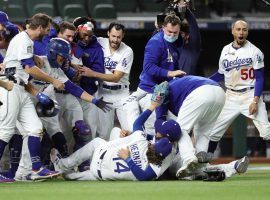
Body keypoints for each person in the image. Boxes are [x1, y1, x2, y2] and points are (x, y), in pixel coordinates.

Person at [50, 96, 179, 181]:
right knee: (91, 173)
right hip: (100, 175)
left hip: (102, 155)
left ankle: (62, 165)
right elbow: (144, 176)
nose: (157, 133)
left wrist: (152, 106)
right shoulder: (162, 157)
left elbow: (137, 124)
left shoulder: (141, 141)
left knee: (98, 142)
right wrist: (128, 157)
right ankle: (71, 175)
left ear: (152, 144)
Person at [0, 13, 65, 182]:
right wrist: (53, 80)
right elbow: (29, 68)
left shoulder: (27, 40)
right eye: (48, 29)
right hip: (10, 88)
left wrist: (38, 94)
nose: (48, 32)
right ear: (41, 27)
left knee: (35, 127)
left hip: (20, 88)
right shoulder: (23, 39)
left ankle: (36, 169)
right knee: (5, 131)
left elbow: (23, 75)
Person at [205, 20, 270, 159]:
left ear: (247, 32)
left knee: (266, 132)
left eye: (244, 30)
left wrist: (255, 100)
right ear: (233, 31)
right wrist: (204, 81)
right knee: (214, 131)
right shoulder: (225, 50)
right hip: (230, 96)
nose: (241, 32)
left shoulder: (255, 51)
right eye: (238, 29)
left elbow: (260, 78)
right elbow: (221, 74)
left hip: (250, 94)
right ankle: (208, 158)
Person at [79, 22, 134, 139]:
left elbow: (116, 77)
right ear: (108, 33)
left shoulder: (127, 51)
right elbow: (83, 34)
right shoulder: (99, 41)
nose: (115, 39)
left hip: (121, 94)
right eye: (113, 36)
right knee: (104, 134)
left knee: (129, 131)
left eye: (118, 37)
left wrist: (92, 73)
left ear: (123, 36)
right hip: (103, 93)